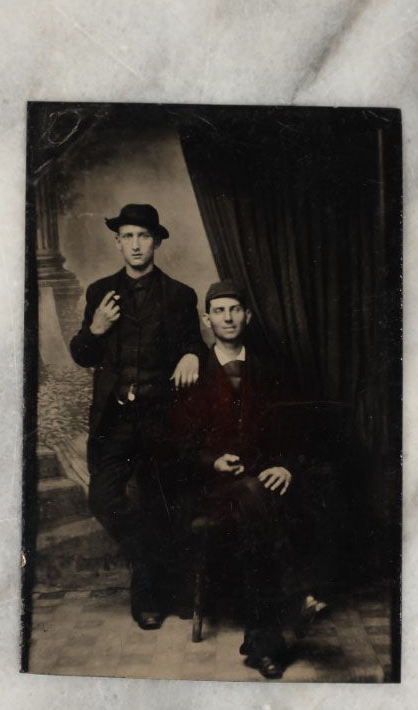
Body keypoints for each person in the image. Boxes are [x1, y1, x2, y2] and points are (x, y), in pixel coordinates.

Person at [70, 203, 206, 630]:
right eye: (127, 236)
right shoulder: (99, 293)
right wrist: (95, 328)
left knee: (158, 502)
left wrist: (190, 353)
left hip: (161, 418)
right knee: (104, 498)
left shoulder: (181, 295)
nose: (135, 245)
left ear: (157, 242)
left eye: (143, 236)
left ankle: (148, 593)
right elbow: (81, 354)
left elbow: (195, 345)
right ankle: (154, 567)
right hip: (114, 420)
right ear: (117, 242)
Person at [176, 280, 296, 679]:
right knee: (253, 500)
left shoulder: (271, 370)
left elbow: (292, 431)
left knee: (260, 497)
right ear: (207, 319)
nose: (227, 317)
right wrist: (212, 462)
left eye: (235, 310)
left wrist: (284, 465)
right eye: (219, 311)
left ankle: (260, 635)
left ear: (246, 315)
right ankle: (277, 622)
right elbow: (176, 447)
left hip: (262, 484)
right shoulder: (192, 372)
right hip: (211, 490)